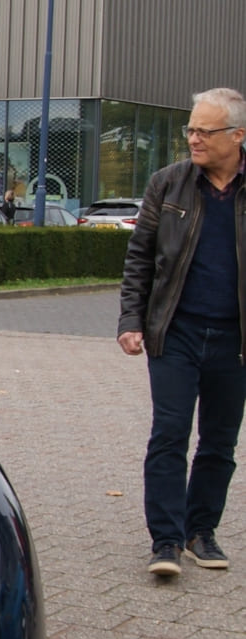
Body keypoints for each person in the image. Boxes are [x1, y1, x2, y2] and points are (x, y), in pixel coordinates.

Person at [118, 87, 246, 578]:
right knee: (169, 435)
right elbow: (139, 259)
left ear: (236, 136)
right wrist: (131, 321)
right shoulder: (167, 185)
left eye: (204, 131)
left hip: (234, 342)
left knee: (219, 442)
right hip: (176, 332)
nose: (193, 138)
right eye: (190, 129)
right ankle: (166, 541)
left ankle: (200, 532)